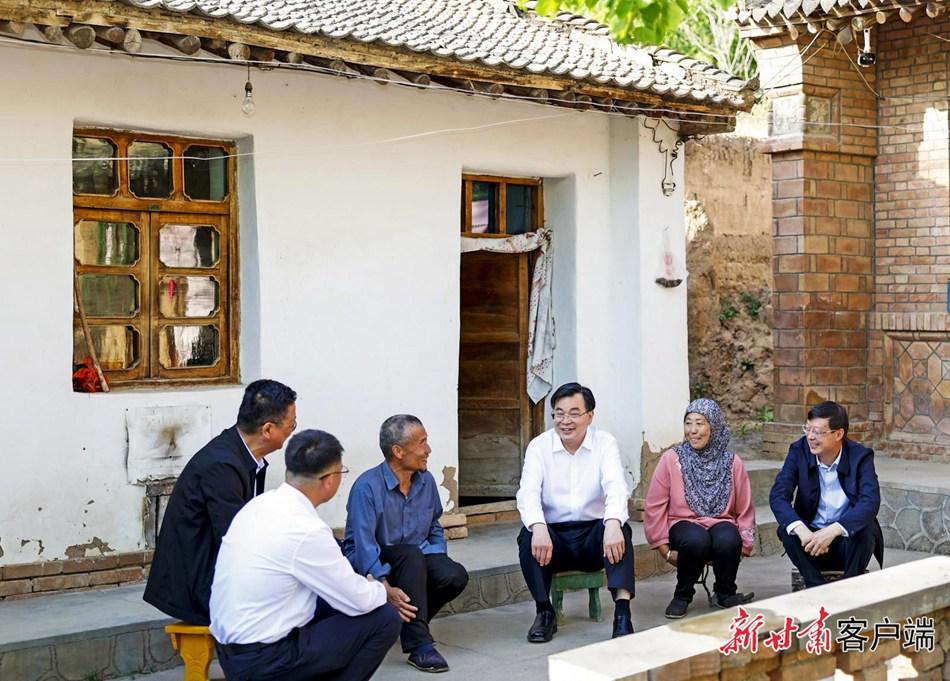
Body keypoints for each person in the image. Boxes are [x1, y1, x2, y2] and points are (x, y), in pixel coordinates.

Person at [210, 429, 401, 681]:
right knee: (384, 617)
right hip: (265, 661)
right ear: (329, 479)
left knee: (333, 597)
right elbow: (359, 600)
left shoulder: (258, 506)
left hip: (230, 651)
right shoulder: (307, 530)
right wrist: (380, 590)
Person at [143, 379, 297, 624]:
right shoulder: (221, 465)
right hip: (198, 587)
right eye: (291, 425)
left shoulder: (240, 454)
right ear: (268, 430)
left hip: (217, 572)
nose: (291, 432)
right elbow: (235, 537)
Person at [343, 414, 469, 673]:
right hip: (375, 561)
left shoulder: (426, 481)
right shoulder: (366, 487)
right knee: (410, 556)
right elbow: (363, 546)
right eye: (422, 443)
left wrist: (438, 556)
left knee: (453, 575)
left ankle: (405, 622)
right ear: (398, 451)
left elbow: (434, 526)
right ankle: (420, 645)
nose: (428, 450)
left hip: (414, 559)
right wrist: (384, 586)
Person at [515, 382, 635, 643]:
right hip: (554, 540)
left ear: (589, 416)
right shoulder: (539, 446)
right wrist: (538, 527)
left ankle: (622, 614)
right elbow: (528, 493)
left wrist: (613, 523)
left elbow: (616, 485)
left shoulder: (605, 443)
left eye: (574, 413)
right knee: (528, 535)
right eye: (559, 413)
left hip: (593, 537)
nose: (565, 421)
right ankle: (544, 612)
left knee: (620, 529)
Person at [644, 398, 756, 619]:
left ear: (714, 426)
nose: (692, 430)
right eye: (688, 423)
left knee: (728, 538)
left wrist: (745, 543)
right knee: (696, 540)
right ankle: (682, 595)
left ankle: (724, 592)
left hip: (721, 521)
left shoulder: (732, 462)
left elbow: (744, 507)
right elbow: (655, 505)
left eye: (700, 423)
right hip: (682, 523)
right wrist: (663, 548)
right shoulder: (672, 459)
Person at [770, 400, 884, 588]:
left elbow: (870, 502)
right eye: (808, 429)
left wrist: (832, 531)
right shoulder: (798, 451)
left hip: (846, 542)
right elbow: (778, 496)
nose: (810, 437)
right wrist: (802, 530)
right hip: (810, 543)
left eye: (817, 431)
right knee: (787, 529)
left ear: (838, 434)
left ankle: (850, 587)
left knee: (867, 527)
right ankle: (815, 587)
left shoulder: (860, 456)